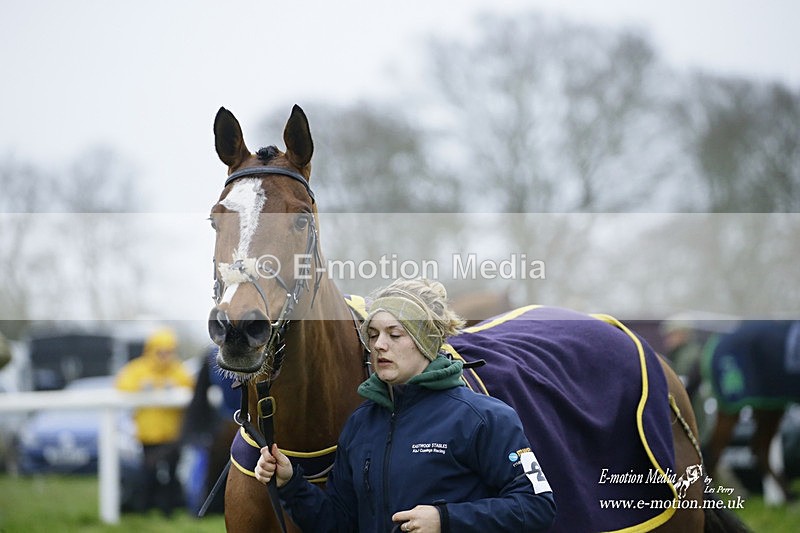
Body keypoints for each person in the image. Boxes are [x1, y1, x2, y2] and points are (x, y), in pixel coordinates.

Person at [254, 278, 556, 532]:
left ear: (425, 339)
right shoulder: (359, 424)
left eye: (394, 334)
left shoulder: (485, 417)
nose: (379, 345)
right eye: (372, 335)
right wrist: (291, 482)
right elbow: (340, 523)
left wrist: (445, 520)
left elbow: (537, 506)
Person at [115, 328, 194, 516]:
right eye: (161, 352)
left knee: (172, 475)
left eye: (169, 351)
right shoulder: (138, 369)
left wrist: (174, 388)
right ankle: (144, 509)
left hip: (172, 436)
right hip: (148, 437)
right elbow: (122, 385)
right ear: (151, 350)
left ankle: (169, 511)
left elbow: (190, 387)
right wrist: (143, 387)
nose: (165, 356)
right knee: (147, 475)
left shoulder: (178, 370)